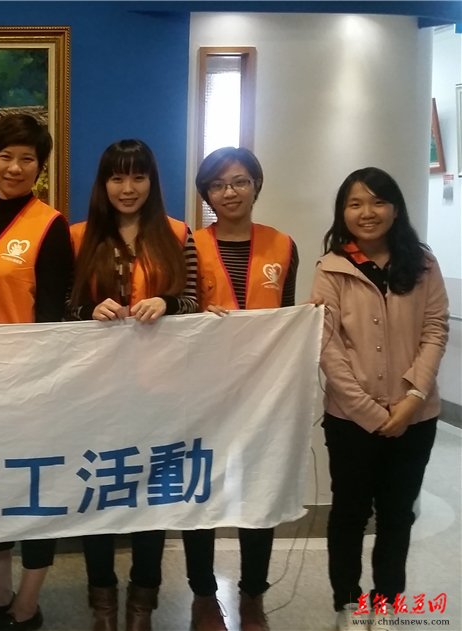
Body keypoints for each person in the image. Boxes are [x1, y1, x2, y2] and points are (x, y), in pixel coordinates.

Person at [67, 139, 199, 631]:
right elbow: (62, 308)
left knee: (152, 500)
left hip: (160, 390)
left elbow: (195, 302)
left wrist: (167, 302)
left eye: (138, 177)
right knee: (97, 497)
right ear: (103, 183)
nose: (128, 188)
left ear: (152, 182)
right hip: (96, 391)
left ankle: (142, 605)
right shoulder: (78, 237)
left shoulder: (178, 234)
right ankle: (102, 604)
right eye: (117, 177)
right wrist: (88, 310)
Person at [310, 168, 447, 631]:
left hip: (416, 416)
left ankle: (387, 603)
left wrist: (412, 398)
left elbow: (435, 329)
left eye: (377, 202)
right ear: (343, 212)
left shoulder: (422, 264)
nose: (366, 212)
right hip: (350, 419)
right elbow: (326, 346)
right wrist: (368, 411)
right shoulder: (331, 268)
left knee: (397, 515)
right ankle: (348, 601)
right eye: (355, 203)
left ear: (395, 208)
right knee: (349, 514)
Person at [0, 114, 73, 631]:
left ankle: (27, 605)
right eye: (6, 156)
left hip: (29, 381)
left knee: (33, 489)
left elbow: (52, 313)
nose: (15, 167)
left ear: (40, 167)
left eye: (28, 158)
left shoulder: (50, 226)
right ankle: (0, 592)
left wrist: (37, 379)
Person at [191, 146, 300, 631]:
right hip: (203, 392)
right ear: (206, 194)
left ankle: (252, 594)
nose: (229, 192)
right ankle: (202, 595)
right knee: (199, 494)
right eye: (217, 185)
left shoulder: (282, 245)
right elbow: (179, 310)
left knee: (259, 492)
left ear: (256, 184)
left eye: (239, 181)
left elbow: (288, 319)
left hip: (263, 394)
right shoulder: (190, 243)